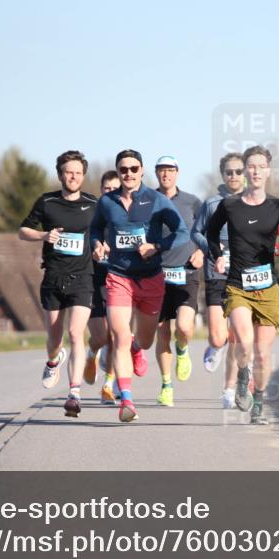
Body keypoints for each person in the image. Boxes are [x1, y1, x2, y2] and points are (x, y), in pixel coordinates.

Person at [203, 145, 279, 424]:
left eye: (261, 166)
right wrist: (217, 257)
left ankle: (258, 403)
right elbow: (210, 233)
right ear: (246, 170)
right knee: (245, 343)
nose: (256, 170)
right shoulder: (230, 205)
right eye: (251, 166)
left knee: (262, 352)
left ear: (268, 171)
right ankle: (241, 377)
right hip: (237, 285)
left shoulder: (278, 206)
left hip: (268, 288)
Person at [89, 149, 190, 422]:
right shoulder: (107, 202)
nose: (129, 174)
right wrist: (97, 245)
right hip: (119, 276)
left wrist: (156, 247)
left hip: (151, 279)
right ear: (118, 172)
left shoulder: (156, 200)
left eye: (134, 169)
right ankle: (127, 401)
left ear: (142, 171)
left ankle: (136, 349)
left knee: (144, 341)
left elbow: (181, 232)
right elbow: (95, 229)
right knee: (119, 337)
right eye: (123, 169)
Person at [18, 150, 97, 417]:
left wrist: (101, 248)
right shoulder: (47, 202)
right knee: (54, 338)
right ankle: (54, 360)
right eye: (68, 172)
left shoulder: (93, 204)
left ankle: (74, 393)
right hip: (53, 277)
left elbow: (102, 235)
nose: (72, 176)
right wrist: (43, 235)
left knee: (76, 333)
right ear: (60, 174)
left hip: (83, 278)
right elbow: (22, 230)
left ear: (83, 175)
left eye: (77, 172)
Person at [191, 152, 245, 408]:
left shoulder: (254, 202)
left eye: (238, 171)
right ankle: (215, 346)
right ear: (222, 175)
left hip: (244, 276)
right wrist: (214, 250)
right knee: (217, 336)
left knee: (237, 335)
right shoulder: (212, 204)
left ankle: (229, 390)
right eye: (229, 172)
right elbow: (196, 232)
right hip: (216, 273)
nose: (234, 176)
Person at [152, 156, 204, 407]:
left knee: (184, 326)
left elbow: (207, 231)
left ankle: (182, 350)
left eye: (170, 170)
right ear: (156, 174)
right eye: (162, 170)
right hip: (156, 274)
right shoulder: (147, 200)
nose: (166, 175)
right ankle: (166, 385)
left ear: (177, 173)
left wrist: (202, 252)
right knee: (161, 333)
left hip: (187, 272)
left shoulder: (192, 202)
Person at [84, 170, 120, 405]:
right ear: (101, 191)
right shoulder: (91, 217)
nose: (110, 192)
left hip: (119, 281)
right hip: (93, 281)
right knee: (100, 336)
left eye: (114, 189)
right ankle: (91, 353)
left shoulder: (126, 217)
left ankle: (109, 386)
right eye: (106, 189)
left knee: (117, 335)